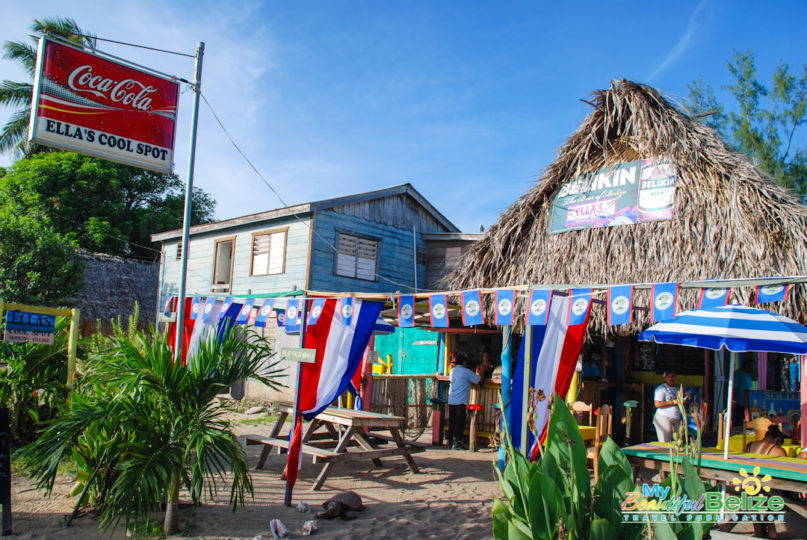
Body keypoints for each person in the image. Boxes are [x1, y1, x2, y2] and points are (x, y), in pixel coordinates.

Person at [447, 353, 482, 450]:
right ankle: (457, 444)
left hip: (452, 400)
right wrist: (479, 370)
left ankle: (451, 442)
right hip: (461, 401)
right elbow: (478, 380)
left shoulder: (452, 371)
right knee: (459, 422)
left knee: (452, 422)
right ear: (464, 362)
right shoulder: (466, 372)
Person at [653, 370, 690, 442]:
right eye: (668, 377)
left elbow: (680, 404)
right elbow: (657, 404)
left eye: (672, 377)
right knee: (665, 442)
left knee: (678, 441)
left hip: (677, 418)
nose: (671, 379)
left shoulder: (677, 389)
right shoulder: (661, 388)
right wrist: (674, 402)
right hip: (664, 417)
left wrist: (684, 401)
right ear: (664, 378)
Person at [732, 358, 754, 426]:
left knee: (744, 421)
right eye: (750, 365)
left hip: (746, 403)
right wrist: (734, 401)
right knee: (737, 420)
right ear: (745, 365)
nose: (751, 367)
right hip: (738, 403)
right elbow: (733, 388)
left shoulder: (748, 375)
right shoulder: (738, 374)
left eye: (752, 366)